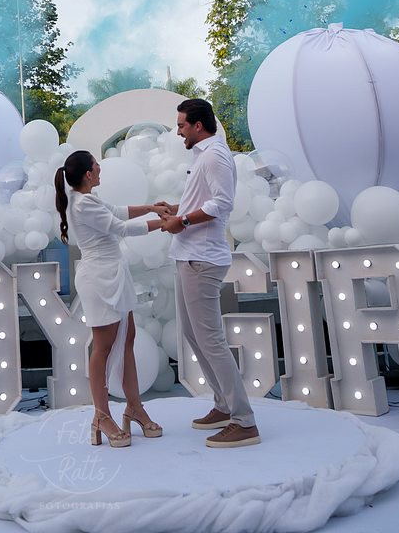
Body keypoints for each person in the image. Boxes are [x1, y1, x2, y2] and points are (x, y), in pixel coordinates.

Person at [161, 98, 261, 448]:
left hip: (202, 259)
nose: (178, 132)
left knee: (211, 340)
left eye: (181, 125)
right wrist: (178, 210)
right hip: (189, 255)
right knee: (193, 335)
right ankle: (223, 405)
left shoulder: (215, 156)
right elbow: (204, 200)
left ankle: (244, 421)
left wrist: (184, 221)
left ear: (198, 126)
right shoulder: (204, 155)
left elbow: (222, 204)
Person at [54, 149, 171, 448]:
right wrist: (163, 224)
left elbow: (118, 211)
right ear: (88, 174)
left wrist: (151, 208)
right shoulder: (82, 204)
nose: (100, 167)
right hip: (99, 279)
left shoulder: (88, 199)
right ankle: (101, 416)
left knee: (127, 339)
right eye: (96, 164)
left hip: (114, 275)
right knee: (103, 347)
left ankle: (134, 407)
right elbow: (119, 228)